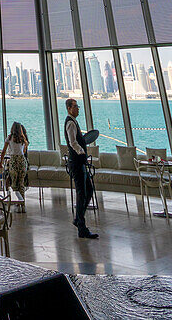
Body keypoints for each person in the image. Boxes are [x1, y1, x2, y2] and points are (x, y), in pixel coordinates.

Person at [65, 98, 98, 239]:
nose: (78, 108)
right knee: (82, 192)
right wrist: (81, 151)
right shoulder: (71, 123)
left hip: (79, 163)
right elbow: (72, 142)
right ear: (69, 108)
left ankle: (79, 219)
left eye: (78, 106)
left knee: (87, 191)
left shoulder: (74, 122)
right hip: (77, 163)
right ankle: (81, 227)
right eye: (75, 106)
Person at [1, 122, 29, 201]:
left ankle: (18, 202)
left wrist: (0, 163)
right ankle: (22, 205)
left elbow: (3, 151)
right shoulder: (23, 138)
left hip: (13, 161)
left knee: (14, 184)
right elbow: (23, 151)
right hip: (22, 161)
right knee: (21, 184)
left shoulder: (9, 138)